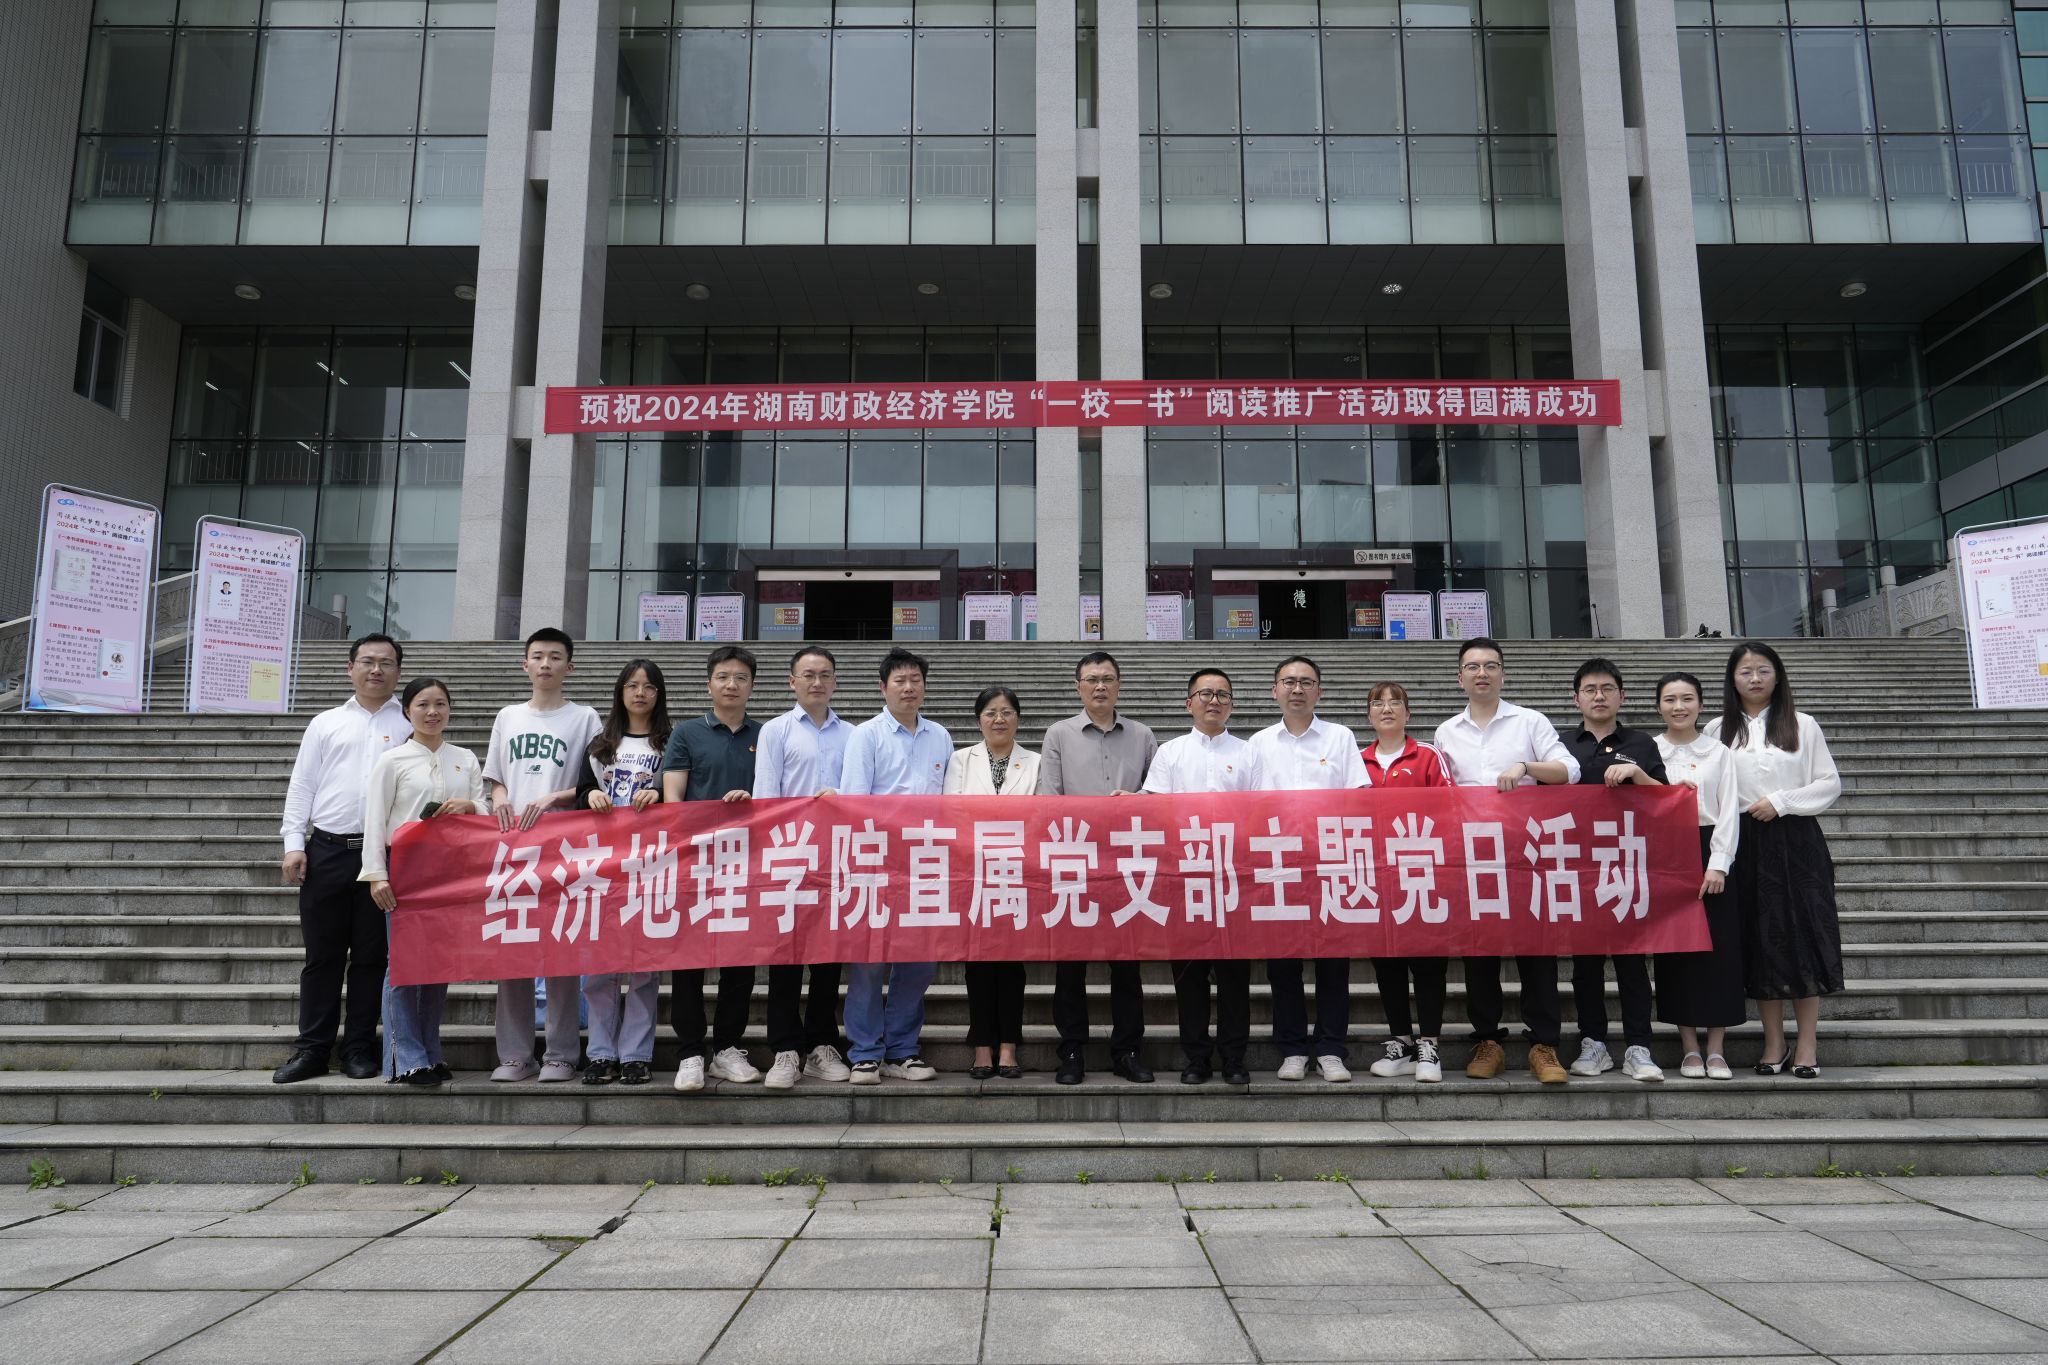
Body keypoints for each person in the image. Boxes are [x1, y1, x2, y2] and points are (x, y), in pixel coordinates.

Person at [1432, 636, 1580, 1084]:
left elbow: (1569, 770)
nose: (1482, 673)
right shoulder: (1446, 732)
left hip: (1525, 853)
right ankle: (1487, 1041)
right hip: (1472, 856)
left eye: (1490, 665)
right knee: (1479, 952)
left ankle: (1544, 1045)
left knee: (1537, 950)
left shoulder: (1529, 722)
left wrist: (1526, 767)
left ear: (1503, 673)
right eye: (1473, 667)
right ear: (1459, 678)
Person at [274, 633, 411, 1084]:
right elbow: (303, 784)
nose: (376, 670)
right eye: (367, 661)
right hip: (328, 851)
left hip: (383, 858)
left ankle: (358, 1048)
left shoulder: (410, 723)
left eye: (386, 662)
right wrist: (294, 842)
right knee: (322, 956)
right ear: (350, 668)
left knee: (372, 958)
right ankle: (312, 1049)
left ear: (398, 672)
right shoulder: (326, 723)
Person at [1717, 641, 1842, 1079]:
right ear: (1732, 679)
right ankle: (1774, 1042)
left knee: (1803, 937)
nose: (1755, 678)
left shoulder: (1802, 724)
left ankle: (1807, 1044)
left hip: (1795, 839)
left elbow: (1829, 783)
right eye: (1745, 671)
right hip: (1742, 841)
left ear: (1778, 675)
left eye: (1763, 670)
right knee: (1760, 940)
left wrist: (1782, 802)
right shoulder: (1717, 729)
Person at [483, 627, 603, 1084]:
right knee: (512, 952)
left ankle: (561, 1053)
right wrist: (499, 799)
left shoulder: (585, 718)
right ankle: (516, 1054)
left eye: (555, 656)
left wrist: (555, 797)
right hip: (513, 848)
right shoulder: (508, 716)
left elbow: (594, 784)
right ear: (525, 664)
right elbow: (496, 777)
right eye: (538, 656)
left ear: (569, 666)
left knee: (561, 951)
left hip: (564, 846)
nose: (546, 663)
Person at [1036, 650, 1158, 1085]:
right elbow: (1048, 798)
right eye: (1091, 679)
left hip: (1128, 864)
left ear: (1119, 685)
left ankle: (1128, 1050)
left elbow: (1157, 795)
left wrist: (1136, 802)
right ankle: (1071, 1051)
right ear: (1078, 687)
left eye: (1107, 678)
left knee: (1127, 965)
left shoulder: (1142, 735)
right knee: (1070, 965)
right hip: (1075, 861)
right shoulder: (1059, 734)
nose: (1100, 686)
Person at [1144, 668, 1266, 1086]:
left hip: (1234, 879)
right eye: (1205, 694)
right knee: (1189, 977)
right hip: (1185, 878)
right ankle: (1196, 1057)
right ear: (1189, 703)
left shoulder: (1249, 752)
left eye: (1222, 694)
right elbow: (1154, 808)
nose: (1214, 701)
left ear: (1232, 704)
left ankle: (1234, 1057)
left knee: (1235, 978)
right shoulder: (1170, 752)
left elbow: (1261, 811)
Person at [1248, 654, 1367, 1083]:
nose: (1297, 689)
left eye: (1306, 682)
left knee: (1333, 963)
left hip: (1329, 862)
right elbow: (1246, 805)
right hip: (1278, 865)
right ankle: (1293, 1049)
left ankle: (1332, 1049)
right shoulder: (1257, 743)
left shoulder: (1340, 737)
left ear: (1319, 691)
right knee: (1283, 965)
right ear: (1274, 690)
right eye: (1289, 681)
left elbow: (1359, 796)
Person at [838, 646, 953, 1085]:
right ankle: (865, 1052)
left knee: (918, 962)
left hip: (926, 863)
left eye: (915, 680)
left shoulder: (940, 736)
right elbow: (853, 801)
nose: (909, 688)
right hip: (877, 861)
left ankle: (903, 1049)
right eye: (900, 681)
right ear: (882, 687)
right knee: (869, 961)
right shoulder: (865, 736)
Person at [361, 677, 482, 1087]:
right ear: (407, 711)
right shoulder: (392, 760)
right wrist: (376, 875)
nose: (433, 712)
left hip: (451, 872)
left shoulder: (464, 757)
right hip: (405, 871)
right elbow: (375, 820)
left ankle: (430, 1051)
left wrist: (470, 806)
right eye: (423, 705)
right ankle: (405, 1057)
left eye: (440, 704)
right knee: (403, 964)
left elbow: (484, 808)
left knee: (437, 966)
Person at [753, 645, 857, 1089]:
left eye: (825, 674)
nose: (817, 682)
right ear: (792, 681)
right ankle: (785, 1049)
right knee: (786, 958)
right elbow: (765, 795)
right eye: (809, 674)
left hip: (837, 858)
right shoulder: (776, 731)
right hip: (790, 857)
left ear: (835, 682)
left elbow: (859, 793)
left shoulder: (854, 734)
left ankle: (821, 1044)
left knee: (828, 958)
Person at [1561, 657, 1669, 1083]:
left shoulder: (1641, 744)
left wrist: (1637, 774)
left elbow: (1668, 799)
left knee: (1631, 962)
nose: (1599, 696)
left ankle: (1639, 1047)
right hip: (1577, 866)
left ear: (1621, 696)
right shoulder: (1561, 746)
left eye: (1607, 688)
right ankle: (1593, 1044)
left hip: (1626, 864)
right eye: (1590, 689)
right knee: (1585, 964)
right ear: (1576, 699)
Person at [661, 645, 764, 1093]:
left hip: (750, 862)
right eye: (723, 677)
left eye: (740, 677)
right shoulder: (687, 733)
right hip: (697, 861)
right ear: (709, 684)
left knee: (740, 962)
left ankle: (727, 1048)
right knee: (689, 960)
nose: (731, 685)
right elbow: (672, 799)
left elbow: (776, 795)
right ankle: (690, 1053)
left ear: (752, 686)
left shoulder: (767, 735)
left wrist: (752, 802)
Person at [573, 659, 671, 1087]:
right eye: (632, 685)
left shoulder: (670, 742)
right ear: (620, 691)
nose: (640, 693)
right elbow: (581, 792)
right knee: (599, 967)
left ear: (659, 694)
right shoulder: (601, 744)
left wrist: (660, 792)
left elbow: (681, 792)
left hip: (651, 864)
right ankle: (600, 1053)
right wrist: (591, 795)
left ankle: (635, 1055)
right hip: (603, 865)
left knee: (644, 967)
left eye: (648, 686)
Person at [944, 685, 1040, 1080]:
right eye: (990, 713)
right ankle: (982, 1046)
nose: (999, 719)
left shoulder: (1035, 762)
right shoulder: (960, 759)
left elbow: (1041, 814)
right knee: (978, 963)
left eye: (1006, 712)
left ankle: (1009, 1047)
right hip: (973, 873)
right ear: (978, 719)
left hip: (1019, 873)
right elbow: (952, 811)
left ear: (1017, 718)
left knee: (1012, 965)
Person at [1358, 681, 1453, 1085]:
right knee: (1387, 962)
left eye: (1395, 702)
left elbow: (1450, 806)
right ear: (1369, 715)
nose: (1387, 709)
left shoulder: (1427, 755)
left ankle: (1429, 1044)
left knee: (1428, 961)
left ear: (1408, 713)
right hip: (1376, 877)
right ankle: (1400, 1041)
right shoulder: (1358, 760)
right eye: (1378, 703)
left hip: (1423, 872)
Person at [1653, 670, 1743, 1081]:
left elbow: (1729, 809)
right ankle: (1689, 1047)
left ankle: (1717, 1048)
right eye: (1670, 699)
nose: (1679, 707)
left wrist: (1719, 862)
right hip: (1666, 852)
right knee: (1677, 953)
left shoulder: (1718, 752)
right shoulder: (1650, 751)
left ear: (1701, 705)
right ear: (1659, 706)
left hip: (1709, 846)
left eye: (1687, 698)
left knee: (1718, 950)